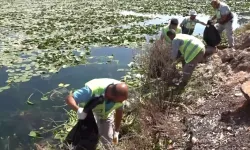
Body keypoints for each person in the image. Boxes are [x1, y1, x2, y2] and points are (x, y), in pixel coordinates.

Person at [65, 78, 129, 149]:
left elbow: (119, 111)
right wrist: (78, 110)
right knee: (88, 139)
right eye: (119, 101)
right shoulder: (92, 90)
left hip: (105, 115)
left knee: (108, 140)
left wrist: (116, 131)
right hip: (89, 114)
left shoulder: (121, 94)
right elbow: (69, 98)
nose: (121, 103)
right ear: (112, 96)